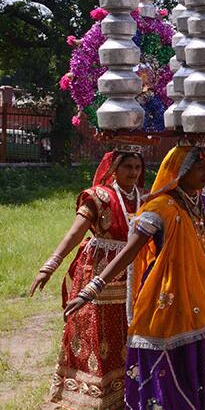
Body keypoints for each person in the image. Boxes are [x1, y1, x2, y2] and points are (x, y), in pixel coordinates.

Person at [63, 144, 205, 409]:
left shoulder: (201, 205)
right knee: (163, 357)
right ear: (179, 172)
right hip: (164, 296)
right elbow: (129, 252)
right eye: (199, 169)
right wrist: (92, 288)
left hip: (198, 294)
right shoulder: (159, 208)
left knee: (196, 356)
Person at [32, 147, 144, 410]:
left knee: (128, 330)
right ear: (114, 168)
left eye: (137, 168)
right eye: (128, 166)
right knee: (95, 331)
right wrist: (51, 264)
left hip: (132, 274)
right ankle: (89, 394)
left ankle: (126, 391)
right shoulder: (98, 197)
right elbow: (74, 233)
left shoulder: (144, 198)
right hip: (96, 271)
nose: (133, 172)